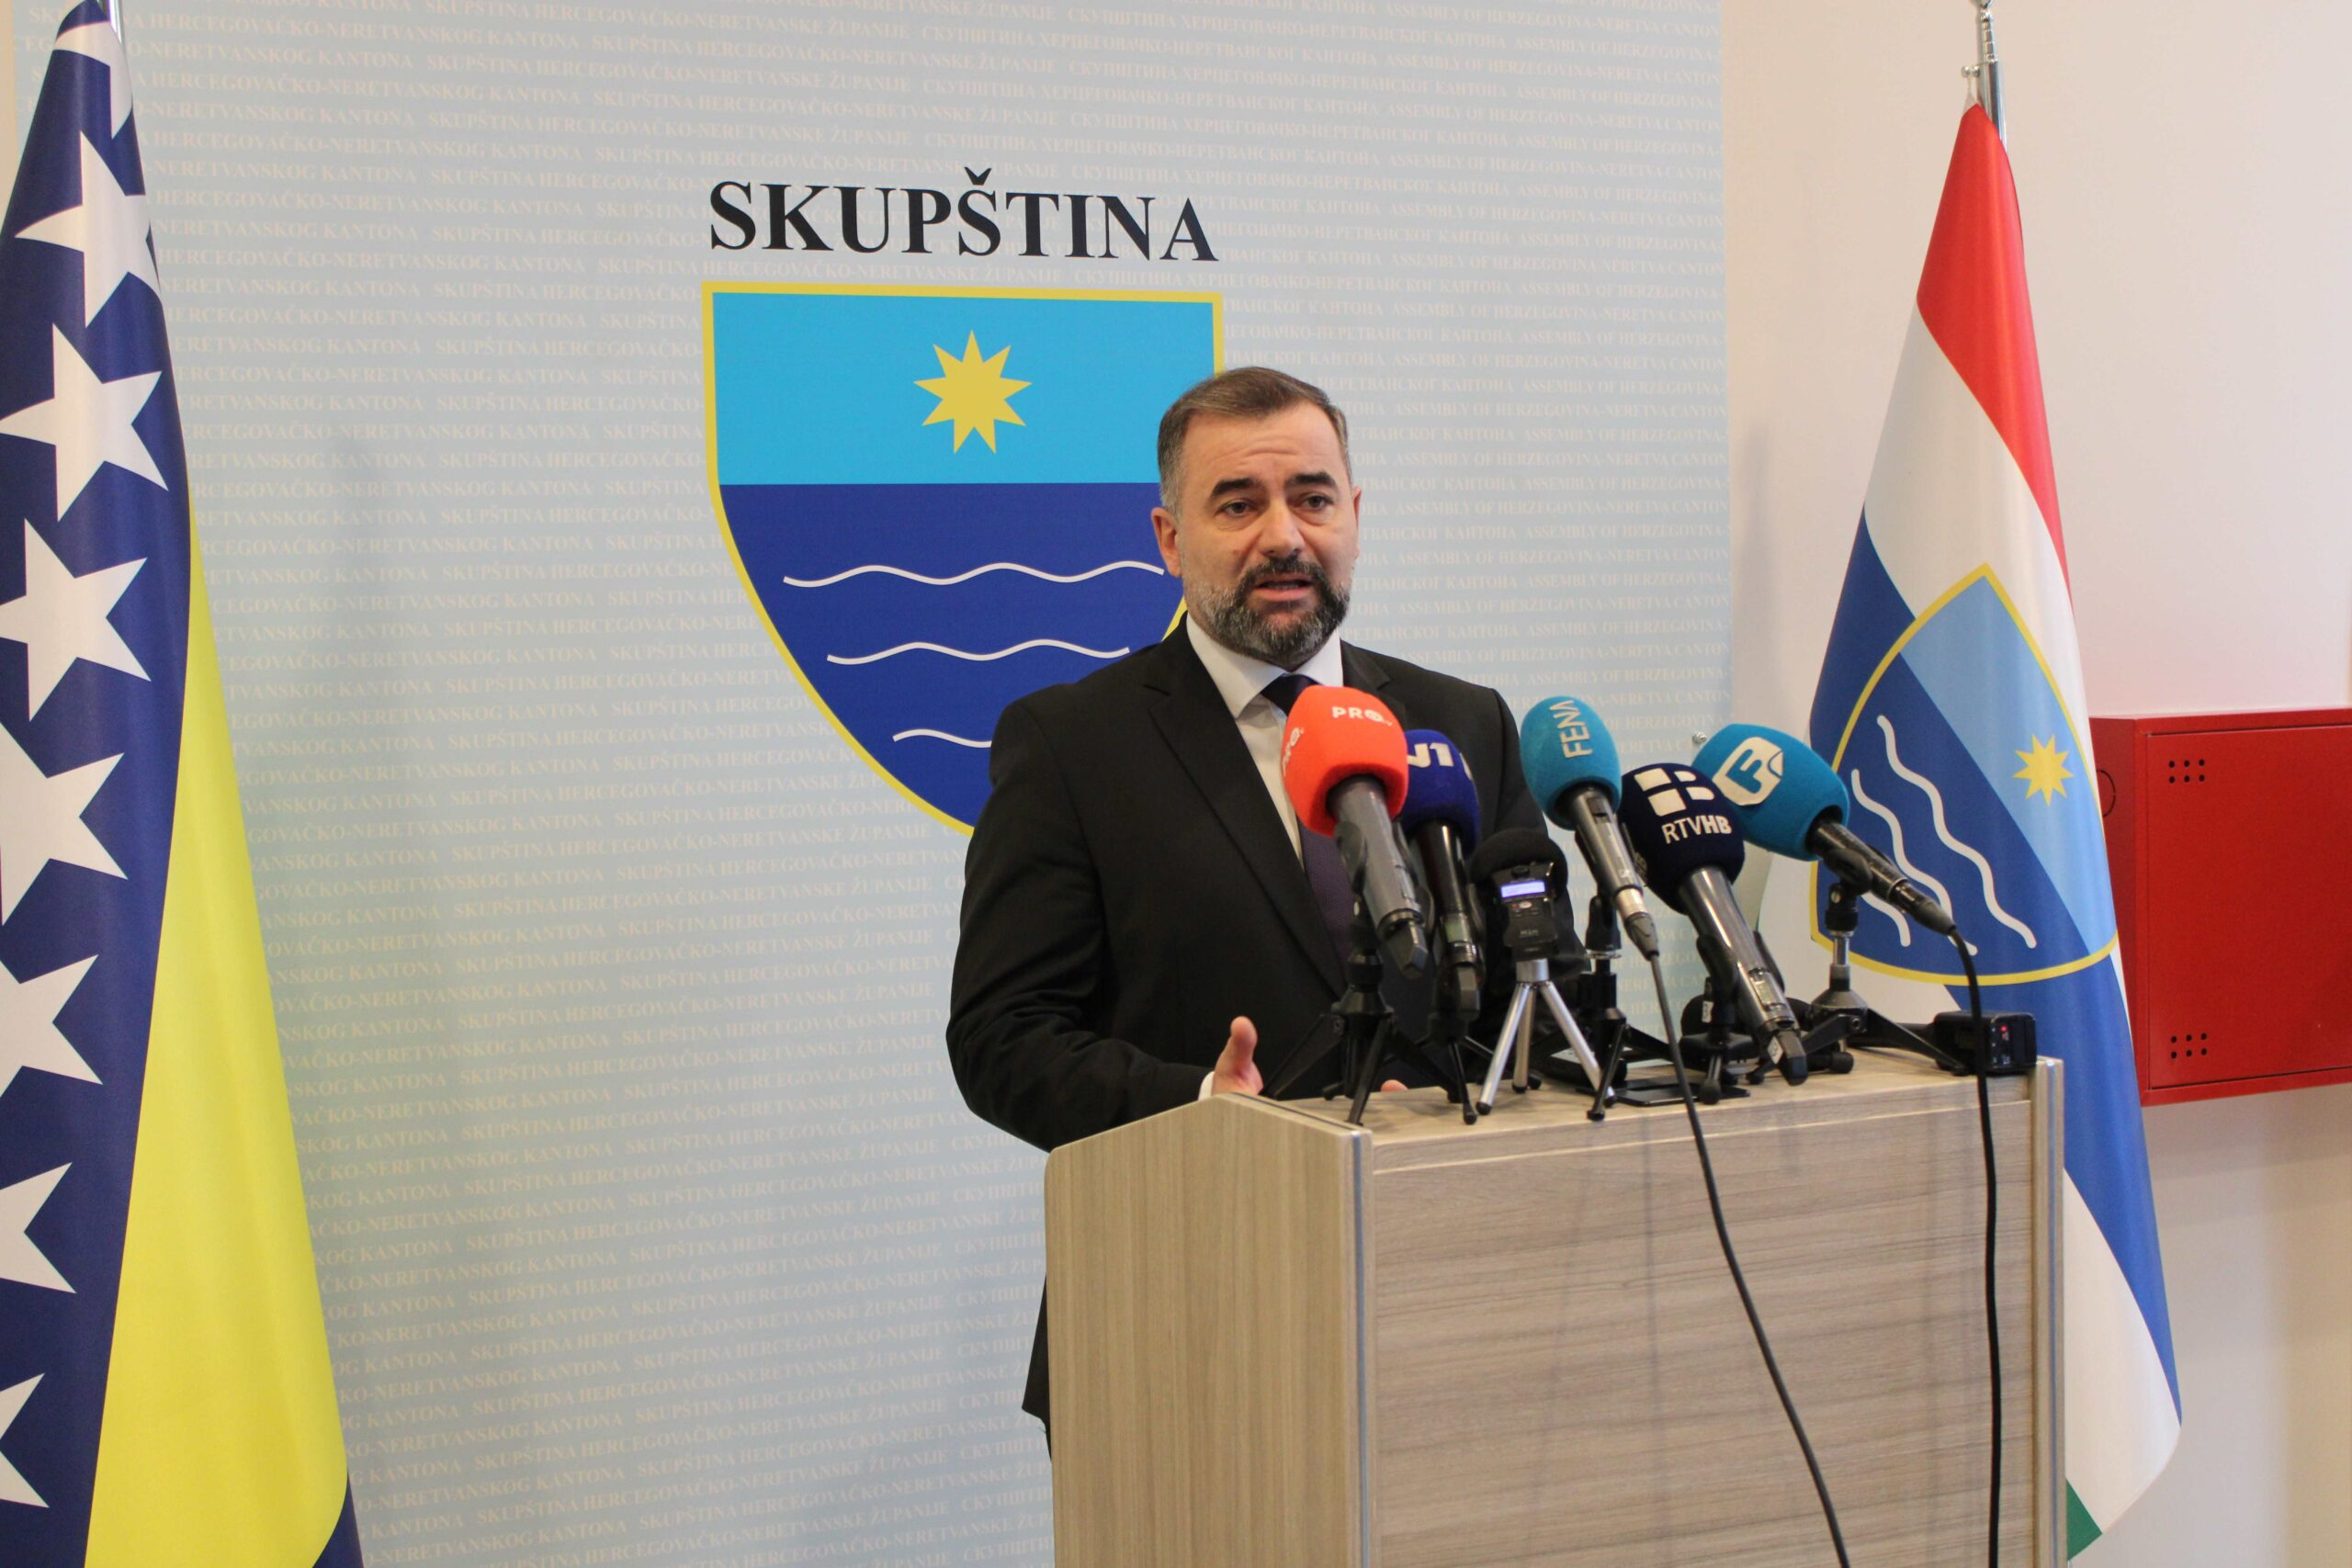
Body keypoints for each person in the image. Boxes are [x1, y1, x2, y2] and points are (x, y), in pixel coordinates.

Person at [944, 367, 1544, 1437]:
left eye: (1313, 499)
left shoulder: (1465, 723)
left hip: (1452, 1298)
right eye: (1238, 505)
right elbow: (1002, 1038)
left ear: (1353, 516)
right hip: (1177, 1319)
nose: (1284, 536)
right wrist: (1203, 1107)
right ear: (1170, 540)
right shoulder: (1072, 744)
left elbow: (1537, 993)